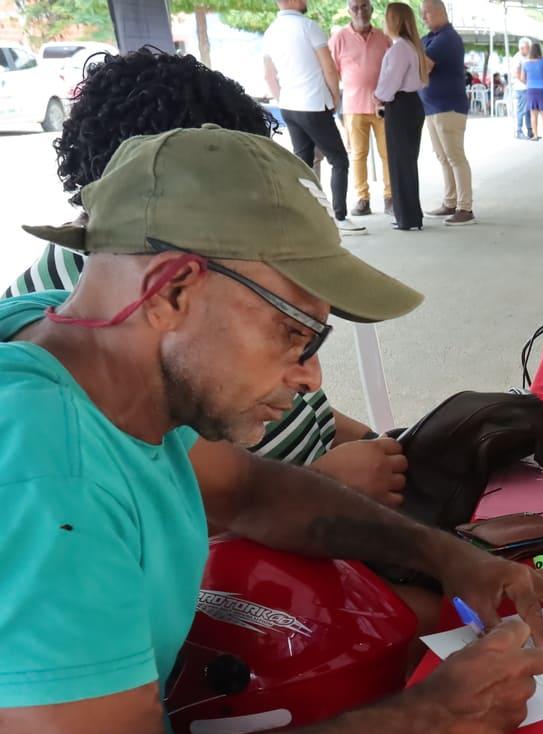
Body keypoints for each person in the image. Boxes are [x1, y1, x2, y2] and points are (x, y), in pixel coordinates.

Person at [0, 124, 543, 734]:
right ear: (170, 290)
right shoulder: (40, 469)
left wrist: (454, 556)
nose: (309, 375)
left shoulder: (75, 354)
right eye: (294, 334)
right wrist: (431, 717)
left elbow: (248, 487)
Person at [3, 48, 412, 512]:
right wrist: (328, 487)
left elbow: (303, 405)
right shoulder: (102, 327)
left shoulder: (125, 283)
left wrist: (376, 444)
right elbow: (194, 504)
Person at [263, 0, 363, 233]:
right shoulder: (308, 27)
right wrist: (335, 98)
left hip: (290, 106)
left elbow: (269, 76)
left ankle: (304, 219)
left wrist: (283, 99)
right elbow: (328, 67)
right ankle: (339, 217)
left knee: (303, 163)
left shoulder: (270, 32)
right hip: (314, 104)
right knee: (339, 160)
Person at [328, 0, 392, 218]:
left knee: (388, 154)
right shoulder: (338, 38)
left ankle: (390, 197)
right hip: (353, 106)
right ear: (348, 11)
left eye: (364, 6)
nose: (360, 11)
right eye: (355, 7)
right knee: (358, 155)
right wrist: (334, 105)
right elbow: (332, 72)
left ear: (372, 10)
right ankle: (362, 199)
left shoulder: (384, 37)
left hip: (382, 105)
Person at [419, 0, 474, 226]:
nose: (423, 18)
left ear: (440, 12)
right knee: (443, 157)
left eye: (427, 13)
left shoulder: (447, 39)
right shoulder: (429, 38)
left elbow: (423, 64)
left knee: (455, 157)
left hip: (448, 107)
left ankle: (465, 207)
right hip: (433, 107)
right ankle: (451, 201)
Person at [374, 2, 427, 230]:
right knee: (407, 162)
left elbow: (390, 82)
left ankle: (406, 217)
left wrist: (377, 96)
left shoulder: (398, 49)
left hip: (400, 105)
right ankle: (411, 215)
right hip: (412, 103)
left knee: (399, 162)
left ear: (393, 20)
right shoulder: (411, 47)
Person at [522, 43, 543, 141]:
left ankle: (535, 135)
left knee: (533, 114)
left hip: (531, 89)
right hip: (542, 88)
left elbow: (522, 78)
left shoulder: (526, 64)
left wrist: (529, 83)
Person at [508, 38, 530, 139]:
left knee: (528, 109)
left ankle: (530, 130)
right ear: (522, 48)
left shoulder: (527, 57)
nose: (529, 49)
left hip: (527, 87)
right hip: (521, 88)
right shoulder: (517, 58)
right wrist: (527, 83)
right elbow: (517, 74)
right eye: (527, 48)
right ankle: (519, 130)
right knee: (522, 110)